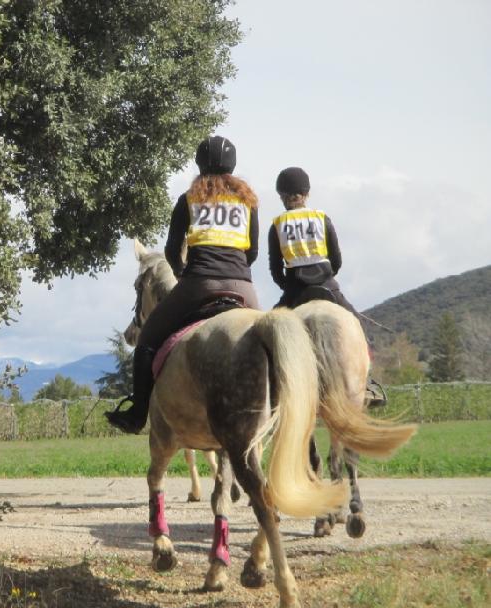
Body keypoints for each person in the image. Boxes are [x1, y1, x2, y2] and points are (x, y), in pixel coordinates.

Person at [105, 136, 260, 434]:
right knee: (271, 342)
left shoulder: (188, 200)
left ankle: (137, 414)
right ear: (233, 165)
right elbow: (251, 252)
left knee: (148, 339)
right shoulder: (247, 202)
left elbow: (172, 249)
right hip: (243, 287)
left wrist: (182, 274)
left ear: (199, 164)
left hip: (198, 285)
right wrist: (237, 273)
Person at [268, 166, 386, 407]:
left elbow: (274, 268)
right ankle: (367, 384)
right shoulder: (322, 218)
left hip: (294, 290)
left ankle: (268, 386)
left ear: (282, 195)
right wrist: (327, 277)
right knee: (358, 327)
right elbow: (337, 259)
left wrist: (287, 286)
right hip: (327, 286)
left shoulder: (278, 224)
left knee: (266, 333)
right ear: (307, 193)